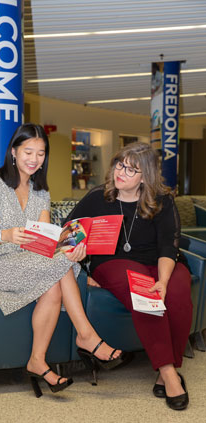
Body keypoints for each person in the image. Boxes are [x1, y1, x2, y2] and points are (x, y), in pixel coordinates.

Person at [0, 123, 126, 397]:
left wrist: (71, 249)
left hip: (30, 264)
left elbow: (47, 240)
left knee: (56, 277)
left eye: (40, 154)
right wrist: (5, 234)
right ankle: (87, 336)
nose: (34, 159)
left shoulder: (42, 193)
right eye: (28, 151)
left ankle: (37, 361)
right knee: (61, 267)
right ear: (14, 152)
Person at [65, 141, 192, 411]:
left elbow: (169, 245)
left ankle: (166, 368)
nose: (120, 172)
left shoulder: (162, 200)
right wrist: (80, 256)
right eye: (119, 165)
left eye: (130, 170)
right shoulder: (97, 197)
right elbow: (68, 232)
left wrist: (164, 281)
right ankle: (169, 373)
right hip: (114, 263)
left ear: (145, 176)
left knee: (179, 294)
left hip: (160, 263)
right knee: (144, 292)